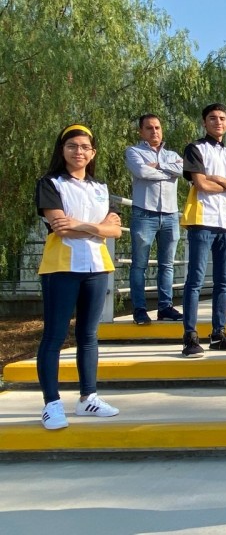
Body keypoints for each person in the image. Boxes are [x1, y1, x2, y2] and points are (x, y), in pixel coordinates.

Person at [35, 124, 122, 429]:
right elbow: (60, 228)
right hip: (61, 267)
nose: (79, 152)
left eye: (85, 147)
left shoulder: (101, 187)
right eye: (72, 146)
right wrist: (98, 228)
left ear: (93, 152)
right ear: (62, 150)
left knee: (88, 335)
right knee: (54, 336)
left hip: (96, 266)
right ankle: (52, 404)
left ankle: (88, 398)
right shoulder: (50, 184)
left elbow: (115, 231)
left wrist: (83, 226)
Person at [180, 103, 226, 357]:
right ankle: (190, 336)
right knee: (195, 281)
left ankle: (219, 334)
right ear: (204, 122)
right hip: (202, 219)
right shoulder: (195, 149)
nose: (217, 122)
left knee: (223, 282)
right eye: (212, 118)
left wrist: (219, 179)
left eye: (222, 118)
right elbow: (201, 184)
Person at [125, 114, 184, 325]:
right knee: (139, 265)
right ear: (141, 132)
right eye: (149, 128)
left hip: (170, 215)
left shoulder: (172, 154)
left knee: (167, 265)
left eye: (157, 127)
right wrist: (168, 171)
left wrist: (157, 166)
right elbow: (142, 172)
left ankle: (165, 307)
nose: (154, 132)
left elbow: (183, 169)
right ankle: (140, 309)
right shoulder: (133, 151)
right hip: (144, 213)